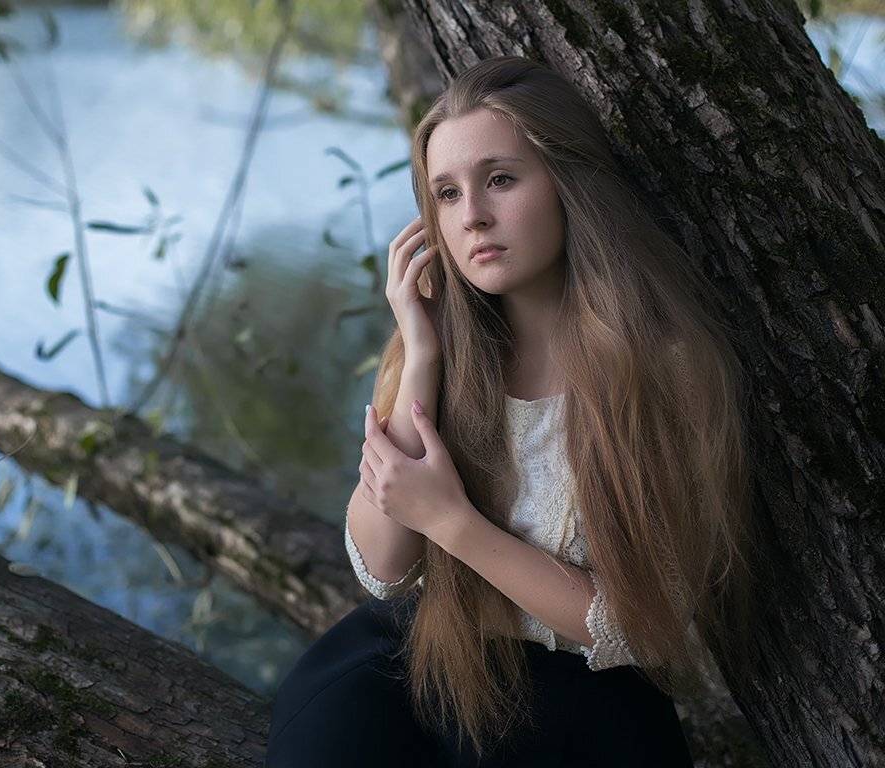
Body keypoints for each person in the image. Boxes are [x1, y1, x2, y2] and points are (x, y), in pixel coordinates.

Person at [265, 55, 760, 767]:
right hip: (421, 666)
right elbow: (382, 566)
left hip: (579, 714)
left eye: (500, 179)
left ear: (568, 183)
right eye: (447, 193)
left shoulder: (660, 370)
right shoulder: (430, 349)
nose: (472, 216)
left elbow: (643, 628)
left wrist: (451, 522)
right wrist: (422, 352)